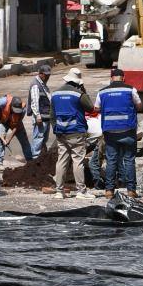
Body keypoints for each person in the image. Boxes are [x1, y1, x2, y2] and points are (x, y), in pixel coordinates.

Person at [50, 68, 96, 199]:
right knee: (78, 161)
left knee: (61, 161)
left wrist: (56, 129)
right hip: (76, 132)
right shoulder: (78, 94)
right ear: (78, 82)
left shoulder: (55, 94)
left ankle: (59, 191)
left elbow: (52, 115)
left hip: (61, 133)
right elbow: (91, 108)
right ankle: (81, 191)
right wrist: (83, 91)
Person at [97, 66, 142, 197]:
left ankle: (109, 190)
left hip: (110, 131)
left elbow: (96, 107)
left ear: (111, 78)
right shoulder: (131, 89)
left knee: (111, 160)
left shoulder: (102, 92)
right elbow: (139, 105)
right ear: (124, 78)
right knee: (129, 160)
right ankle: (131, 190)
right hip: (128, 130)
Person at [0, 91, 34, 162]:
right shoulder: (2, 101)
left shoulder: (23, 109)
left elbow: (17, 125)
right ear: (11, 105)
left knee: (24, 141)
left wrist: (9, 139)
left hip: (15, 123)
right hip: (3, 121)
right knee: (0, 139)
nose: (16, 112)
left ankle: (30, 161)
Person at [26, 65, 53, 158]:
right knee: (38, 138)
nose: (48, 77)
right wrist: (38, 116)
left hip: (46, 116)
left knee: (43, 139)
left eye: (49, 75)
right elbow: (34, 102)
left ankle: (41, 157)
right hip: (41, 117)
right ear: (40, 74)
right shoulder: (36, 85)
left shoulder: (43, 84)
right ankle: (35, 158)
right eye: (46, 75)